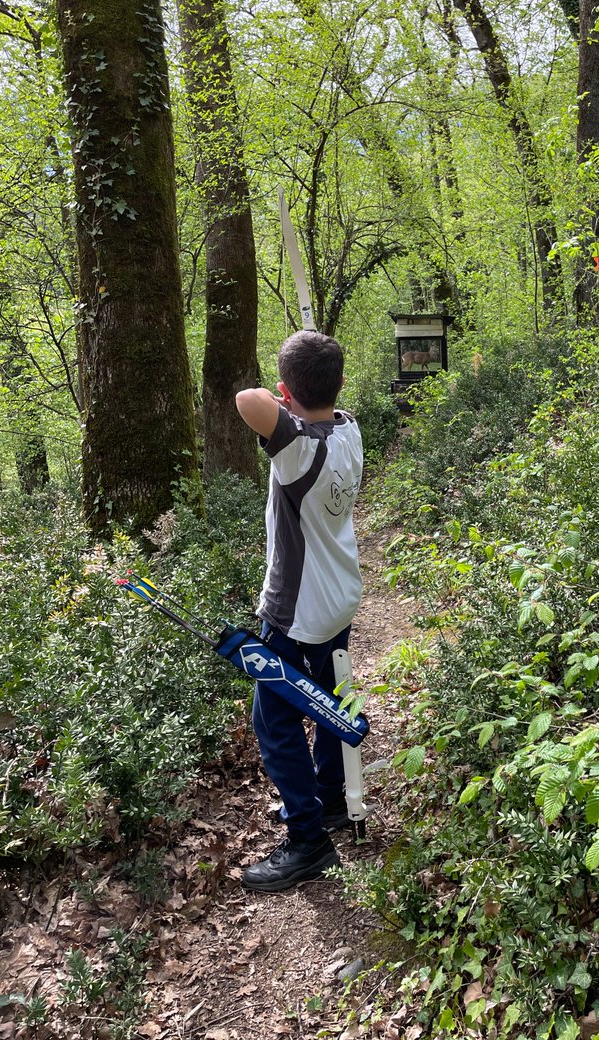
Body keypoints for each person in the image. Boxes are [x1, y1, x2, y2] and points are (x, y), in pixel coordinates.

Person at [235, 330, 363, 892]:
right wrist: (301, 393)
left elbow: (247, 400)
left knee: (277, 721)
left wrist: (283, 395)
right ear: (337, 386)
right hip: (339, 597)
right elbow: (306, 402)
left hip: (296, 610)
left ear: (287, 391)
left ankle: (308, 840)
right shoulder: (349, 429)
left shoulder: (297, 450)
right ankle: (331, 799)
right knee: (332, 700)